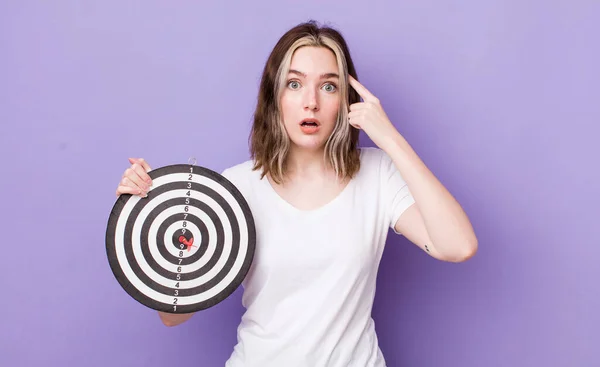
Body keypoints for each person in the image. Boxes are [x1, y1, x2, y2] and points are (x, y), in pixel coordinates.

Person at [115, 20, 478, 367]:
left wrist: (392, 138)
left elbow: (458, 246)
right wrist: (149, 213)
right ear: (274, 97)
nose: (311, 102)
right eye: (294, 84)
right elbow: (173, 316)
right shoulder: (237, 187)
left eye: (329, 86)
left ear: (346, 100)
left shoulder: (377, 174)